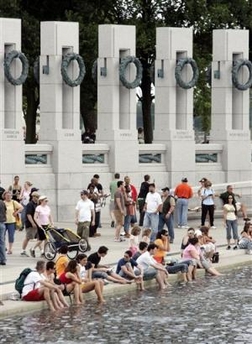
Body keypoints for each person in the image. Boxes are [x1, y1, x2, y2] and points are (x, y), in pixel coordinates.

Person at [20, 191, 40, 257]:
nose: (36, 198)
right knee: (28, 237)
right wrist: (32, 223)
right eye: (35, 197)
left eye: (37, 197)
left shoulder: (36, 204)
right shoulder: (30, 204)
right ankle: (23, 250)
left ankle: (42, 251)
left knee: (39, 237)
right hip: (30, 224)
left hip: (36, 223)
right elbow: (29, 215)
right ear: (32, 197)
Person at [0, 198, 7, 265]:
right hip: (2, 223)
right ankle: (3, 259)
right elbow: (5, 211)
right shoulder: (2, 202)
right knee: (2, 242)